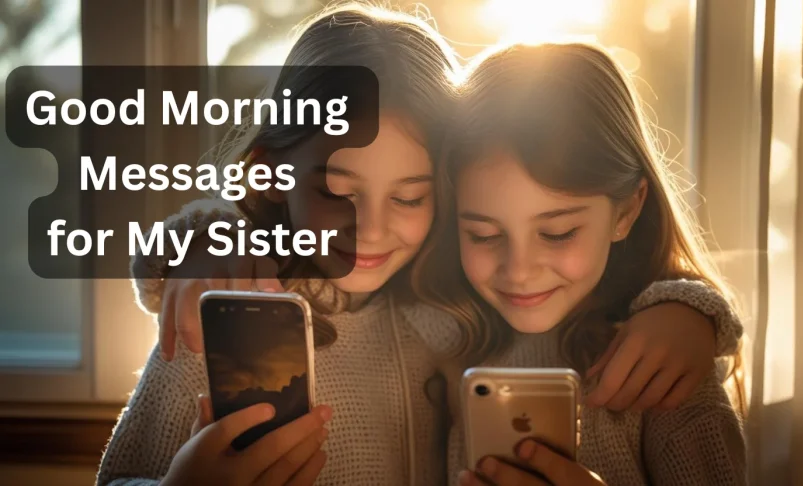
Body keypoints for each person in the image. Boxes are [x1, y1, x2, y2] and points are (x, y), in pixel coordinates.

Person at [101, 10, 744, 486]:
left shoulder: (466, 312)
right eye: (336, 191)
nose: (370, 229)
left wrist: (690, 306)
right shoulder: (225, 317)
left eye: (410, 197)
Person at [408, 41, 747, 485]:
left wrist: (697, 308)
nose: (519, 270)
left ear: (626, 211)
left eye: (557, 233)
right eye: (484, 235)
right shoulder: (440, 337)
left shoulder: (663, 373)